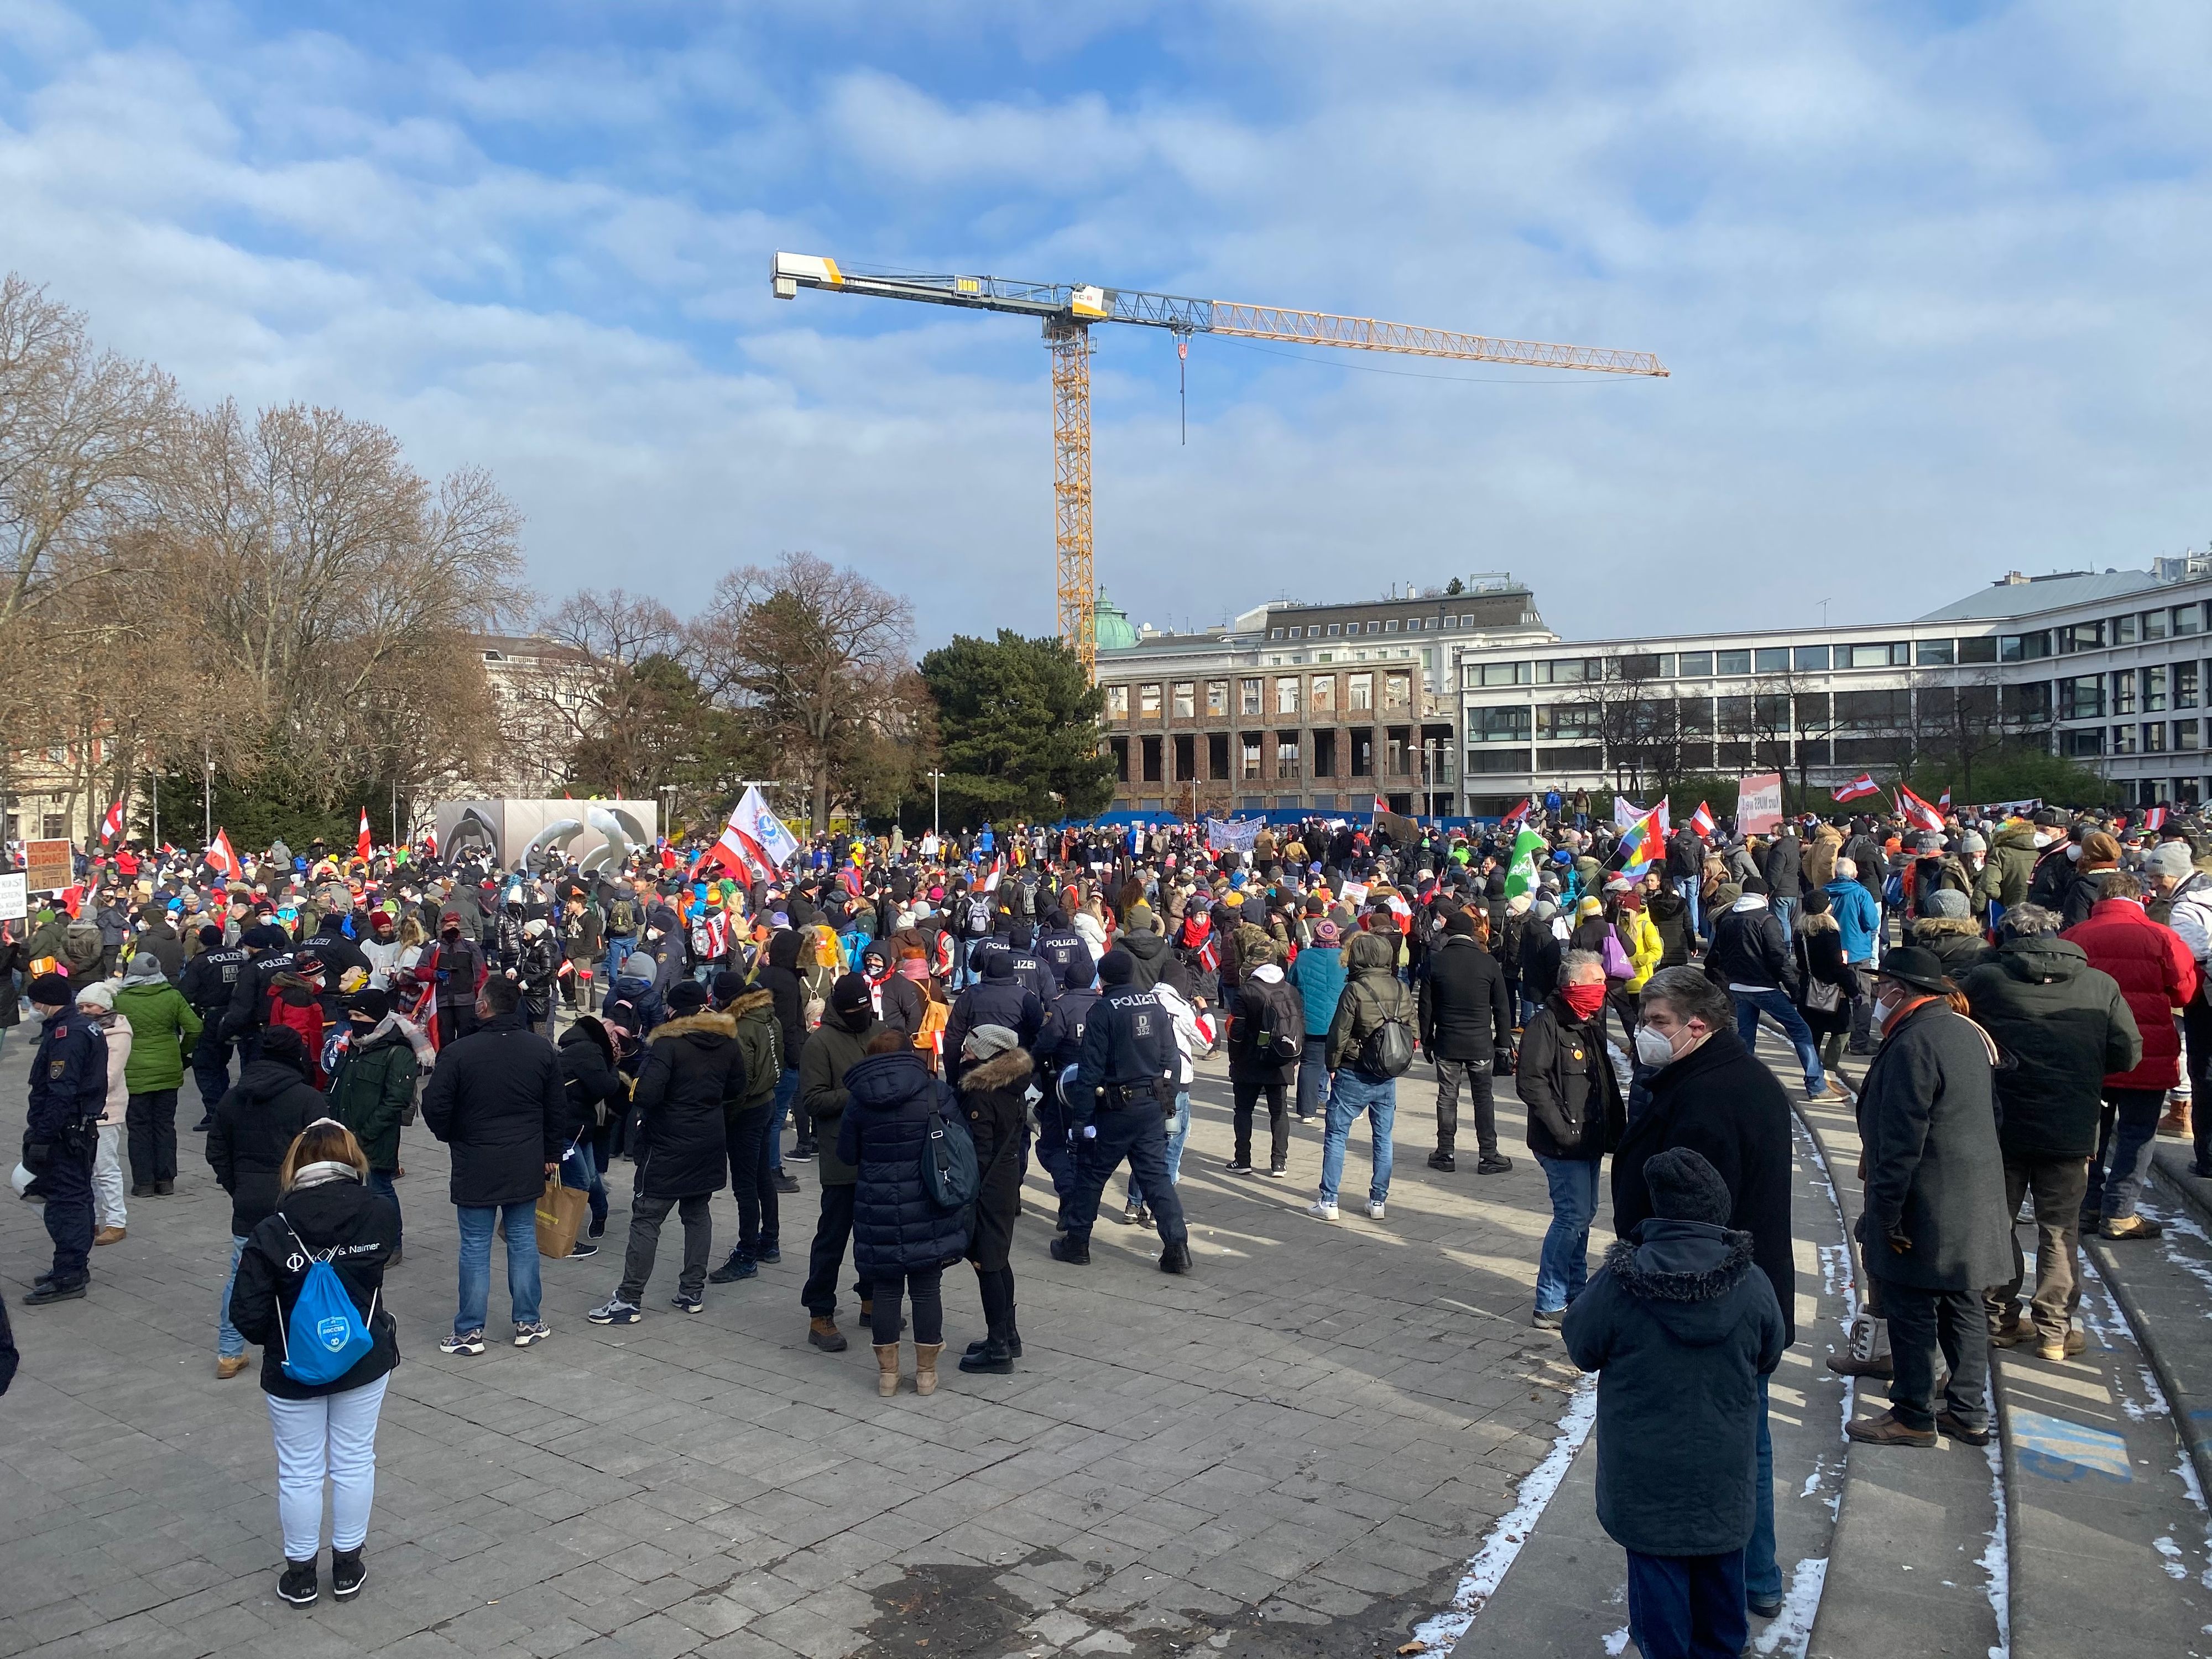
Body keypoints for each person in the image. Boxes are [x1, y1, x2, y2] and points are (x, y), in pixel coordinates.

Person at [1609, 963, 1796, 1618]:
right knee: (1744, 1441)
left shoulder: (1710, 1095)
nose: (1643, 1033)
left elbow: (1694, 1217)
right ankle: (1754, 1576)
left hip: (1707, 1298)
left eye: (1657, 1023)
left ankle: (1741, 1580)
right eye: (1641, 1021)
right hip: (1735, 1290)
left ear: (1699, 1025)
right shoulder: (1710, 1076)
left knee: (1732, 1449)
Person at [1564, 1147, 1786, 1659]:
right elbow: (1769, 1355)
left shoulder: (1619, 1284)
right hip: (1723, 1474)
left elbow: (1582, 1347)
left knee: (1660, 1611)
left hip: (1644, 1480)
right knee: (1722, 1599)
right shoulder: (1751, 1285)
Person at [226, 1119, 399, 1608]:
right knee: (354, 1460)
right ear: (352, 1159)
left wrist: (280, 1344)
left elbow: (246, 1311)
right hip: (363, 1357)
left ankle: (301, 1575)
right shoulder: (380, 1213)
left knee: (300, 1471)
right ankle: (348, 1566)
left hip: (291, 1368)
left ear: (296, 1164)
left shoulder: (272, 1228)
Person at [1845, 946, 2011, 1449]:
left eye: (1881, 986)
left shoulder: (1913, 1043)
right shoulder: (1964, 1032)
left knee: (1913, 1307)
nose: (1875, 994)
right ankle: (1967, 1410)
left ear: (1901, 990)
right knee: (1964, 1304)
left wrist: (1885, 1215)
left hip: (1927, 1202)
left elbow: (1900, 1142)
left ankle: (1913, 1413)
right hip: (1974, 1196)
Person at [1960, 904, 2138, 1359]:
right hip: (2071, 1125)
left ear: (2006, 937)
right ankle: (2054, 1333)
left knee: (1997, 1225)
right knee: (2060, 1231)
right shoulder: (2100, 985)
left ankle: (1999, 1320)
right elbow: (2127, 1053)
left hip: (2002, 1123)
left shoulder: (1988, 980)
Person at [418, 975, 566, 1354]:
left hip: (475, 1161)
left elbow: (434, 1106)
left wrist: (454, 1135)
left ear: (484, 1006)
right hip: (525, 1159)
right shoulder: (541, 1050)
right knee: (521, 1240)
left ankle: (470, 1331)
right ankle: (529, 1322)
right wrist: (550, 1154)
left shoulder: (459, 1053)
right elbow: (556, 1110)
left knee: (475, 1246)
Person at [588, 980, 742, 1323]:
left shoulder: (667, 1044)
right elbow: (737, 1087)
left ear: (673, 1010)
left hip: (666, 1144)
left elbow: (646, 1095)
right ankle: (692, 1291)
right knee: (697, 1214)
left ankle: (628, 1299)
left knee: (646, 1217)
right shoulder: (726, 1040)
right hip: (708, 1140)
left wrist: (634, 1081)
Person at [2063, 871, 2195, 1240]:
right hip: (2146, 1052)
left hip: (2091, 1051)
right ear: (2140, 898)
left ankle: (2087, 1207)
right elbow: (2185, 992)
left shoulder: (2075, 935)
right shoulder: (2162, 936)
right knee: (2138, 1133)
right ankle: (2120, 1213)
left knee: (2092, 1134)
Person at [840, 1031, 970, 1395]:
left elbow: (847, 1155)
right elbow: (961, 1140)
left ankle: (887, 1376)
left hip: (876, 1207)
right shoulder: (935, 1091)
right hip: (928, 1204)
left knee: (885, 1290)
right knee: (927, 1289)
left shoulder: (860, 1099)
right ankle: (926, 1375)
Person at [1053, 948, 1193, 1272]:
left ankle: (1078, 1243)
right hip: (1150, 1107)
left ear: (1103, 978)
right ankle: (1178, 1248)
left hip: (1115, 1108)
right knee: (1157, 1178)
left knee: (1091, 1175)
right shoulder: (1154, 1005)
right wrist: (1166, 1096)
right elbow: (1171, 1058)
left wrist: (1081, 1122)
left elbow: (1089, 1072)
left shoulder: (1103, 1011)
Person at [208, 1026, 324, 1375]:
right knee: (304, 1276)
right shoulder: (308, 1099)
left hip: (249, 1202)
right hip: (297, 1202)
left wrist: (238, 1186)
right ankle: (303, 1347)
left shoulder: (233, 1097)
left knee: (240, 1276)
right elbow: (324, 1154)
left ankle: (229, 1353)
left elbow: (216, 1150)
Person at [1516, 951, 1621, 1330]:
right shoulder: (1546, 1024)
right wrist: (1561, 1128)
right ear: (1574, 986)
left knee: (1584, 1216)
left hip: (1589, 1138)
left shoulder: (1589, 1023)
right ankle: (1549, 1301)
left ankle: (1576, 1291)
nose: (1602, 990)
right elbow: (1531, 1081)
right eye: (1596, 983)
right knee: (1571, 1217)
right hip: (1561, 1142)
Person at [797, 973, 881, 1350]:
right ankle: (820, 1314)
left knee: (875, 1236)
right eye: (855, 1012)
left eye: (867, 1009)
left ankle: (871, 1300)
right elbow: (813, 1100)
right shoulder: (820, 1044)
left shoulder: (879, 1030)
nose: (863, 1016)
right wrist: (859, 1092)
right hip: (841, 1155)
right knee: (832, 1237)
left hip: (882, 1153)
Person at [1309, 930, 1417, 1223]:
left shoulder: (1355, 989)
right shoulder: (1401, 987)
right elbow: (1413, 1031)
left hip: (1353, 1070)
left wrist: (1332, 1065)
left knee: (1337, 1135)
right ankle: (1378, 1200)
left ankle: (1329, 1200)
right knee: (1383, 1137)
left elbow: (1339, 1033)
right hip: (1387, 1073)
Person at [19, 973, 106, 1306]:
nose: (33, 1008)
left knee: (65, 1204)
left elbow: (61, 1091)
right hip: (77, 1130)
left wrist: (42, 1137)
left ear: (45, 1002)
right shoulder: (83, 1027)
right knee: (77, 1199)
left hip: (64, 1133)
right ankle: (72, 1268)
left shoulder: (68, 1035)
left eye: (34, 1002)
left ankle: (68, 1274)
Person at [1707, 875, 1834, 1100]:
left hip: (1738, 986)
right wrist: (1794, 990)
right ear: (1765, 896)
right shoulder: (1766, 920)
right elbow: (1778, 958)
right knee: (1800, 1030)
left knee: (1746, 1036)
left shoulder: (1727, 919)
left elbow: (1716, 955)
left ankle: (1743, 1084)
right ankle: (1816, 1085)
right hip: (1763, 986)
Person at [325, 988, 424, 1267]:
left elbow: (396, 1100)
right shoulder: (353, 1046)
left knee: (381, 1190)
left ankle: (393, 1244)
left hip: (375, 1138)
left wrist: (365, 1133)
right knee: (348, 1191)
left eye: (359, 1015)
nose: (354, 1021)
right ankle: (356, 1242)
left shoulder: (396, 1052)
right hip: (343, 1135)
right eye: (352, 1015)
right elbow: (336, 1083)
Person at [953, 1024, 1031, 1374]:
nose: (964, 1053)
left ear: (986, 1053)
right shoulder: (1012, 1084)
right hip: (1005, 1181)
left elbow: (979, 1151)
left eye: (970, 1049)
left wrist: (965, 1194)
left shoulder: (981, 1092)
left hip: (986, 1188)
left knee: (987, 1265)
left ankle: (998, 1348)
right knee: (999, 1259)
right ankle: (1008, 1335)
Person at [1417, 907, 1515, 1175]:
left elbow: (1425, 1007)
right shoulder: (1488, 963)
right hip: (1480, 1043)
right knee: (1483, 1098)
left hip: (1447, 1042)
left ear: (1448, 934)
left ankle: (1446, 1153)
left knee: (1447, 1096)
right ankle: (1488, 1154)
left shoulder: (1435, 962)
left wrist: (1427, 1041)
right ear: (1473, 934)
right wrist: (1503, 1042)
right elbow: (1503, 1008)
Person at [114, 951, 202, 1196]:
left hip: (134, 1072)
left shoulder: (120, 1000)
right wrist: (183, 1054)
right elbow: (195, 1027)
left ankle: (143, 1182)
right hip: (168, 1068)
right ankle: (166, 1181)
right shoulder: (172, 996)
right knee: (165, 1124)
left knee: (139, 1126)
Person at [1225, 938, 1302, 1176]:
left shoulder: (1247, 990)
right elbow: (1300, 1024)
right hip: (1281, 1059)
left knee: (1244, 1111)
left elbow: (1237, 1031)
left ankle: (1243, 1159)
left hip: (1250, 1060)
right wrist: (1295, 1058)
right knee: (1279, 1112)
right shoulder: (1290, 989)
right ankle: (1279, 1163)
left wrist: (1234, 1059)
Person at [74, 982, 132, 1246]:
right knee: (89, 1167)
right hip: (85, 1107)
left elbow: (109, 1075)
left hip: (108, 1107)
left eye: (90, 1006)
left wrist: (77, 1088)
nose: (86, 1011)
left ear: (104, 1006)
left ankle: (117, 1222)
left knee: (106, 1167)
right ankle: (94, 1219)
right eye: (82, 1006)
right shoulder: (84, 1031)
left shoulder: (117, 1032)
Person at [1289, 917, 1347, 1124]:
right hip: (1340, 1022)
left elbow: (1291, 985)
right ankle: (1345, 1107)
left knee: (1310, 1065)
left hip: (1311, 1022)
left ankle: (1307, 1111)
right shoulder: (1344, 958)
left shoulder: (1303, 957)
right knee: (1342, 1066)